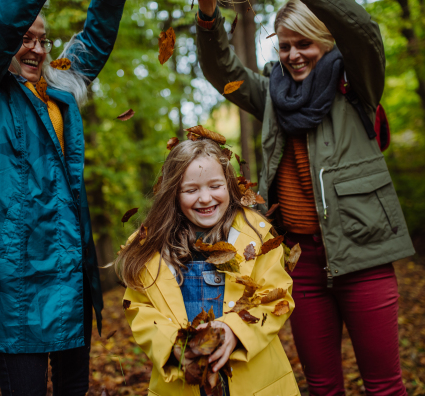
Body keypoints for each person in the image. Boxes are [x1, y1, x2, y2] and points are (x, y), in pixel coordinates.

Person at [195, 0, 416, 395]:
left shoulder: (358, 84)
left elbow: (363, 32)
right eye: (284, 45)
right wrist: (208, 14)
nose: (293, 55)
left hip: (363, 256)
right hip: (301, 264)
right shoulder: (272, 96)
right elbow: (221, 70)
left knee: (384, 387)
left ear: (326, 41)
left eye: (304, 44)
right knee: (322, 387)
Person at [0, 0, 127, 393]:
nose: (37, 48)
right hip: (14, 281)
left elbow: (96, 37)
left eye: (43, 40)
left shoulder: (56, 87)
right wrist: (12, 26)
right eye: (26, 38)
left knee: (75, 388)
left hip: (68, 273)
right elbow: (3, 23)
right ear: (1, 43)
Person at [118, 138, 300, 395]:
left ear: (228, 185)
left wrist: (235, 330)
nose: (205, 198)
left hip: (255, 380)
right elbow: (139, 309)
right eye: (191, 190)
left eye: (215, 186)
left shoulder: (255, 236)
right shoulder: (155, 248)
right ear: (173, 193)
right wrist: (174, 346)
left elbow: (277, 297)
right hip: (182, 380)